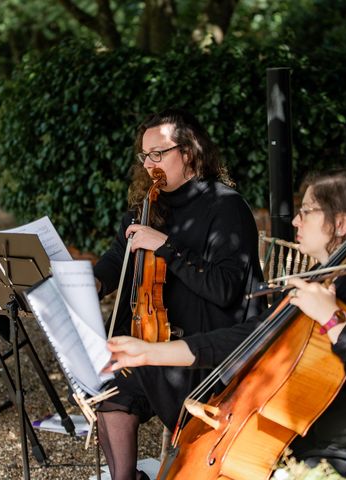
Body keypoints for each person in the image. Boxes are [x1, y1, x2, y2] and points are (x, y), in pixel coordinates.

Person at [103, 168, 346, 478]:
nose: (295, 221)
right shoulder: (325, 281)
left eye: (307, 212)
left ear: (340, 224)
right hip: (312, 444)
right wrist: (149, 352)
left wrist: (333, 319)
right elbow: (248, 338)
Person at [92, 108, 265, 479]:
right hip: (159, 340)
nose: (150, 163)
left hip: (209, 346)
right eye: (145, 156)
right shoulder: (150, 207)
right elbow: (116, 258)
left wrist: (166, 247)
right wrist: (95, 283)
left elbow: (225, 288)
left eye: (159, 154)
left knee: (119, 374)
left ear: (188, 153)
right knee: (106, 387)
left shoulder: (226, 207)